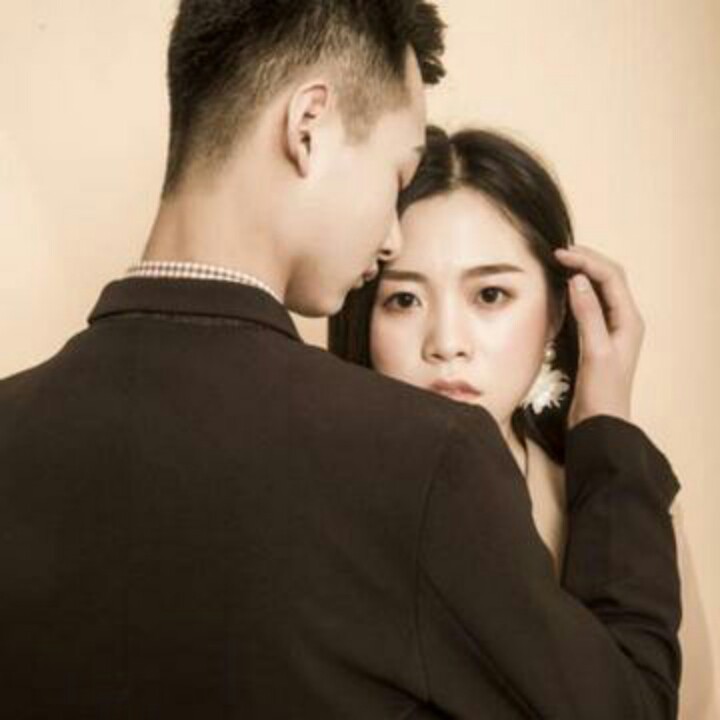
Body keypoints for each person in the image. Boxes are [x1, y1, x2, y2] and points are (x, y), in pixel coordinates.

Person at [0, 2, 680, 718]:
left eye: (490, 294)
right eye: (397, 173)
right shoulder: (427, 459)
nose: (390, 238)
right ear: (308, 127)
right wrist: (608, 436)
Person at [330, 126, 717, 717]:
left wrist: (605, 428)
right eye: (404, 299)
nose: (447, 343)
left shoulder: (630, 511)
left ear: (559, 312)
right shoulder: (318, 513)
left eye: (490, 295)